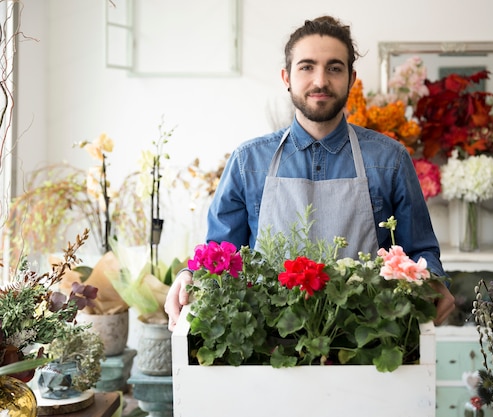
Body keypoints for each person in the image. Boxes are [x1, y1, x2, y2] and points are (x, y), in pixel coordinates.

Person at [165, 15, 454, 330]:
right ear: (286, 77)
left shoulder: (390, 160)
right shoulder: (249, 162)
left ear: (351, 78)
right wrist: (187, 276)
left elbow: (419, 250)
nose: (320, 81)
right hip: (269, 345)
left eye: (334, 68)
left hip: (365, 342)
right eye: (306, 67)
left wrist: (434, 279)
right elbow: (219, 253)